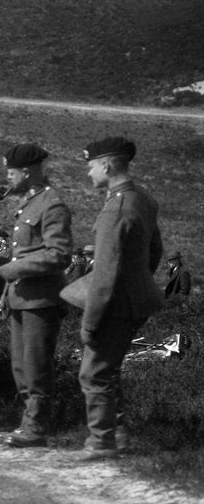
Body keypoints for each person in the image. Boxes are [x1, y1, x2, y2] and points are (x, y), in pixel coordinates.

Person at [74, 137, 164, 460]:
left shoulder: (117, 208)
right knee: (108, 368)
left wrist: (90, 323)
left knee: (93, 372)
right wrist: (137, 281)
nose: (89, 174)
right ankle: (120, 434)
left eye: (91, 167)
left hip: (114, 303)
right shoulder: (142, 198)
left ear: (107, 166)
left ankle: (102, 441)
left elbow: (103, 279)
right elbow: (155, 251)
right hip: (135, 299)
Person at [0, 143, 73, 448]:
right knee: (20, 365)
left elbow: (59, 255)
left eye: (10, 172)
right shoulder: (31, 202)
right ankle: (29, 424)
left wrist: (14, 271)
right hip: (21, 297)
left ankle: (37, 427)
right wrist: (8, 284)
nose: (8, 178)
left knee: (36, 364)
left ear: (26, 172)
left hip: (41, 299)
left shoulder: (51, 204)